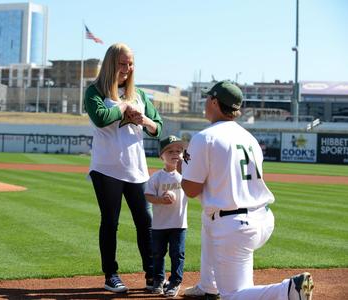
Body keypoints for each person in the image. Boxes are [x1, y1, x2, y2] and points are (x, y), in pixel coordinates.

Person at [181, 81, 314, 300]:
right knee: (208, 218)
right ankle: (208, 286)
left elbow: (191, 189)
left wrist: (183, 168)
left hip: (234, 228)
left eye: (207, 99)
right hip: (261, 219)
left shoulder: (205, 137)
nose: (205, 103)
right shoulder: (249, 138)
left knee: (233, 295)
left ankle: (289, 290)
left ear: (214, 102)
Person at [84, 42, 163, 293]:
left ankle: (152, 275)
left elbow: (158, 128)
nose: (127, 68)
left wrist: (145, 119)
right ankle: (111, 275)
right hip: (106, 168)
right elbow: (100, 117)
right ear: (110, 64)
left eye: (130, 64)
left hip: (136, 169)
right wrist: (123, 107)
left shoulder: (138, 94)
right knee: (110, 221)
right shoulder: (95, 91)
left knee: (146, 222)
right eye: (122, 63)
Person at [145, 135, 188, 298]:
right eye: (170, 151)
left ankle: (175, 281)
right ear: (161, 155)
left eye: (178, 150)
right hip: (159, 225)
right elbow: (148, 196)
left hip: (179, 223)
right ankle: (158, 280)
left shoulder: (185, 175)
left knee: (177, 253)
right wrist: (161, 200)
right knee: (157, 253)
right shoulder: (156, 176)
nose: (175, 153)